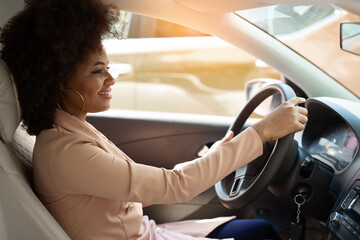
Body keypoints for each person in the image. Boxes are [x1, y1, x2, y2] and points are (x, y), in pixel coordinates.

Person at [0, 0, 308, 239]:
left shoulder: (69, 128)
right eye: (97, 71)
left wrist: (219, 155)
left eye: (108, 67)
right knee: (262, 233)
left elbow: (141, 186)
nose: (111, 79)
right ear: (56, 82)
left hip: (148, 232)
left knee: (260, 230)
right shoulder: (65, 151)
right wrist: (262, 130)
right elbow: (173, 186)